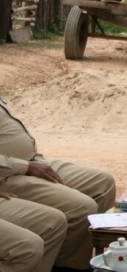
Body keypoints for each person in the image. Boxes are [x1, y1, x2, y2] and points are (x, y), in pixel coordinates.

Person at [0, 96, 116, 272]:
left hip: (29, 161)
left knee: (102, 182)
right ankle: (67, 267)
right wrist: (23, 166)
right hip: (9, 172)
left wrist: (33, 158)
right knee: (81, 208)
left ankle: (70, 259)